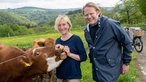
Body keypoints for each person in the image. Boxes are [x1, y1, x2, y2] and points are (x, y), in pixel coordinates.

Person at [82, 2, 133, 82]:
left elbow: (127, 42)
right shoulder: (86, 30)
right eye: (86, 15)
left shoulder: (110, 24)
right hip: (97, 68)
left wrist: (126, 63)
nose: (89, 17)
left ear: (98, 12)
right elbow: (92, 47)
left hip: (110, 67)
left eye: (91, 13)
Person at [54, 15, 87, 82]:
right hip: (60, 76)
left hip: (73, 76)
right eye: (59, 25)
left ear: (68, 25)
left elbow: (83, 57)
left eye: (64, 24)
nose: (61, 27)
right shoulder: (57, 41)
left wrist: (69, 54)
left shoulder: (76, 39)